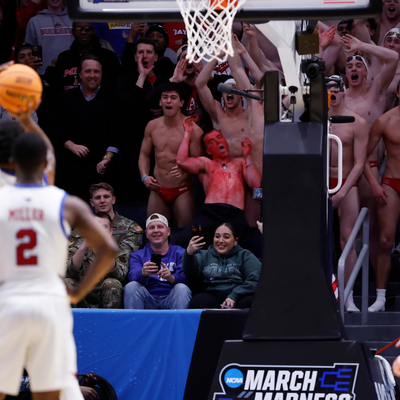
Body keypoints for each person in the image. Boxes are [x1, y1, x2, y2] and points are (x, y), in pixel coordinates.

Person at [0, 133, 118, 400]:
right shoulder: (67, 204)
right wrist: (78, 292)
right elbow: (108, 250)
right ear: (46, 163)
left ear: (12, 162)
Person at [341, 34, 398, 271]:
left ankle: (374, 283)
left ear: (366, 72)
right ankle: (348, 284)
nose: (354, 69)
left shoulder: (376, 92)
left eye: (358, 65)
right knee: (347, 231)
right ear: (345, 74)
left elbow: (393, 57)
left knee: (373, 228)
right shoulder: (339, 98)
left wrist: (361, 45)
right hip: (345, 170)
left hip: (370, 168)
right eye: (349, 66)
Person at [176, 117, 261, 247]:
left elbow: (256, 184)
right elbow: (181, 161)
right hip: (210, 214)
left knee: (244, 247)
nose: (217, 141)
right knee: (186, 239)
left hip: (234, 214)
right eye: (211, 142)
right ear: (208, 151)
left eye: (220, 138)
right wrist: (187, 134)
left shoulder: (240, 162)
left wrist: (247, 156)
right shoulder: (206, 163)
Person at [326, 75, 368, 312]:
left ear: (343, 92)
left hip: (347, 183)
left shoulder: (357, 122)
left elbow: (359, 164)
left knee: (348, 239)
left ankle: (348, 294)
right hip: (322, 183)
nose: (332, 93)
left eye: (336, 89)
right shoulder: (317, 121)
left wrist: (342, 193)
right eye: (328, 89)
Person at [53, 55, 119, 200]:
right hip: (71, 169)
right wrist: (71, 145)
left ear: (102, 74)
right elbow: (55, 127)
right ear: (80, 74)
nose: (92, 75)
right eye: (88, 71)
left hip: (103, 168)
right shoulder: (66, 98)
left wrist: (107, 157)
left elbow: (118, 131)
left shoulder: (112, 98)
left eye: (96, 71)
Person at [139, 83, 203, 227]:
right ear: (160, 102)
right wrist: (144, 176)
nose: (168, 101)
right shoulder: (152, 126)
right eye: (165, 97)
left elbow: (200, 162)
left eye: (173, 97)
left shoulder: (194, 130)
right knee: (154, 232)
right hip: (158, 190)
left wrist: (186, 167)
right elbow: (144, 155)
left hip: (183, 190)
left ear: (181, 103)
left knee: (188, 233)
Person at [363, 81, 400, 312]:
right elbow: (364, 157)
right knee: (385, 240)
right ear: (398, 92)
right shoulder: (385, 121)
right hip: (391, 183)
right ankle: (380, 297)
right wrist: (374, 185)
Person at [183, 223, 261, 309]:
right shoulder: (203, 255)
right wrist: (189, 254)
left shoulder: (245, 255)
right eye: (217, 236)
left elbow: (256, 279)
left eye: (226, 237)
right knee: (199, 300)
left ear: (235, 241)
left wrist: (235, 295)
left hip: (238, 297)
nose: (220, 240)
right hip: (210, 297)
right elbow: (191, 274)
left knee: (252, 301)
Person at [124, 213, 191, 309]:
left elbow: (188, 279)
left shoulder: (180, 253)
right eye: (152, 228)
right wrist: (143, 273)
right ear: (146, 234)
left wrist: (171, 278)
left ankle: (178, 319)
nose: (156, 230)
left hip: (172, 298)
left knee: (182, 288)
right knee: (131, 286)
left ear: (168, 231)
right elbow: (132, 276)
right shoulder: (137, 255)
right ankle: (135, 319)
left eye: (160, 227)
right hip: (148, 299)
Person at [66, 212, 129, 309]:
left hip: (106, 297)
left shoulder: (118, 250)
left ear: (110, 231)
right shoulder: (77, 247)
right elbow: (67, 272)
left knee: (112, 283)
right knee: (67, 282)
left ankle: (109, 318)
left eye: (104, 227)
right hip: (81, 298)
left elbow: (120, 275)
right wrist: (83, 247)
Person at [69, 182, 142, 257]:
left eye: (106, 197)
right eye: (98, 198)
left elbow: (124, 257)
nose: (102, 201)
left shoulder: (130, 227)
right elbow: (70, 257)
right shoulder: (82, 229)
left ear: (113, 200)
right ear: (92, 202)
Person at [46, 22, 120, 92]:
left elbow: (116, 88)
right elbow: (57, 89)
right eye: (79, 29)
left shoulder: (109, 57)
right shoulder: (64, 58)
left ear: (93, 31)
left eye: (87, 29)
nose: (83, 32)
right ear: (73, 32)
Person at [25, 0, 73, 76]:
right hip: (43, 74)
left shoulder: (73, 20)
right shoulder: (34, 21)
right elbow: (28, 51)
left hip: (71, 74)